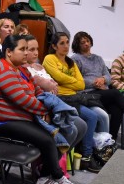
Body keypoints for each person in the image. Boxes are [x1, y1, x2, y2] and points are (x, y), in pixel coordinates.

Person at [0, 34, 81, 184]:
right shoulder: (3, 70)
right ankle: (55, 176)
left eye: (27, 49)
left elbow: (37, 90)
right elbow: (23, 100)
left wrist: (44, 108)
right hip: (1, 123)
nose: (26, 53)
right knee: (48, 138)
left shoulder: (20, 68)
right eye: (22, 49)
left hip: (20, 117)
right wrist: (46, 111)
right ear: (9, 52)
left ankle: (46, 175)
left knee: (66, 129)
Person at [71, 30, 124, 147]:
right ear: (77, 45)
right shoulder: (75, 59)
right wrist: (95, 82)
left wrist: (103, 79)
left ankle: (111, 142)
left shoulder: (98, 58)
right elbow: (76, 80)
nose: (86, 44)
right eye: (82, 42)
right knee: (115, 93)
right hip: (87, 93)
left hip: (101, 92)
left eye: (88, 41)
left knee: (117, 109)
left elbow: (108, 76)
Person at [42, 32, 106, 173]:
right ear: (54, 46)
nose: (66, 46)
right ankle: (83, 156)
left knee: (94, 116)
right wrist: (72, 82)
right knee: (90, 117)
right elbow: (58, 77)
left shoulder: (70, 62)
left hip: (74, 98)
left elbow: (81, 84)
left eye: (67, 42)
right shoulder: (49, 58)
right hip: (60, 98)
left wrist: (66, 82)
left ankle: (85, 156)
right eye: (62, 43)